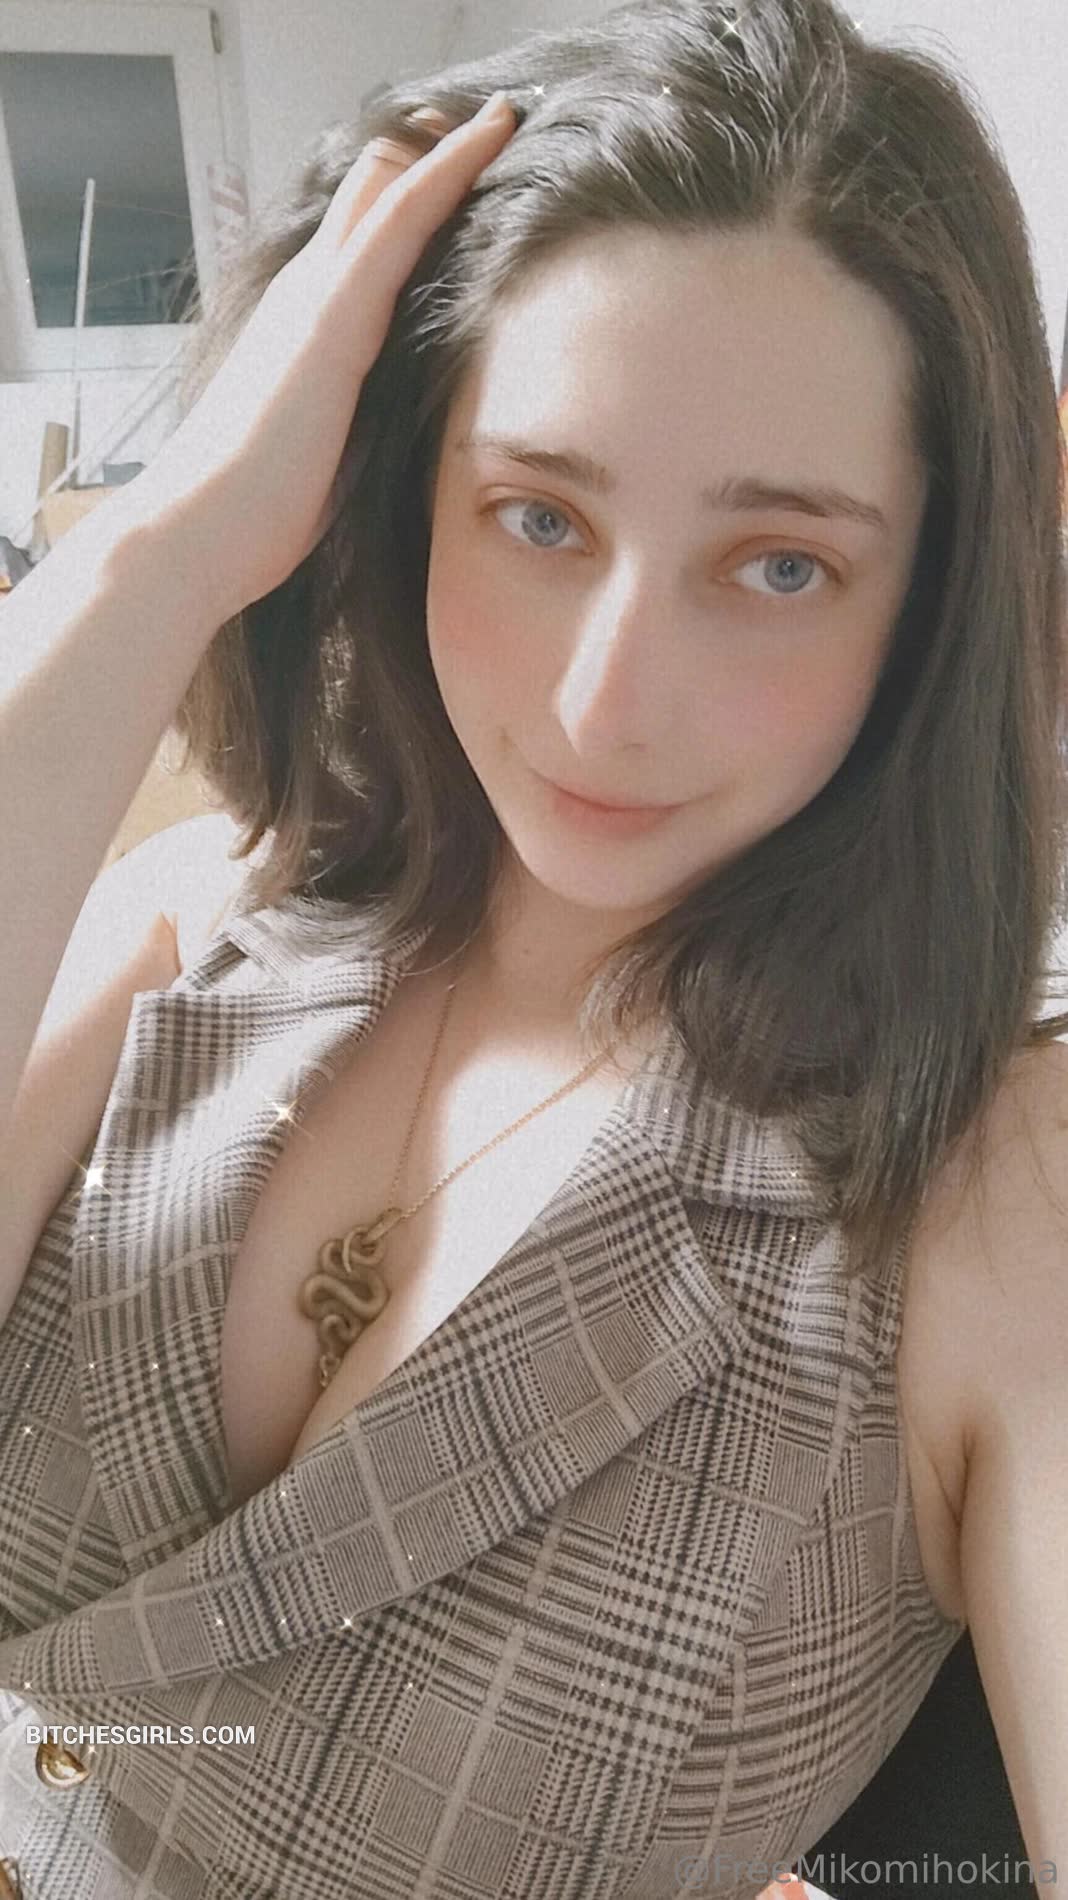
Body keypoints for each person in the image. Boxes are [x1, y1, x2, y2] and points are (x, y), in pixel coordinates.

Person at [0, 0, 1066, 1893]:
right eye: (538, 517)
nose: (605, 704)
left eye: (781, 565)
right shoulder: (204, 925)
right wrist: (163, 551)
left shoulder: (991, 1188)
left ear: (929, 605)